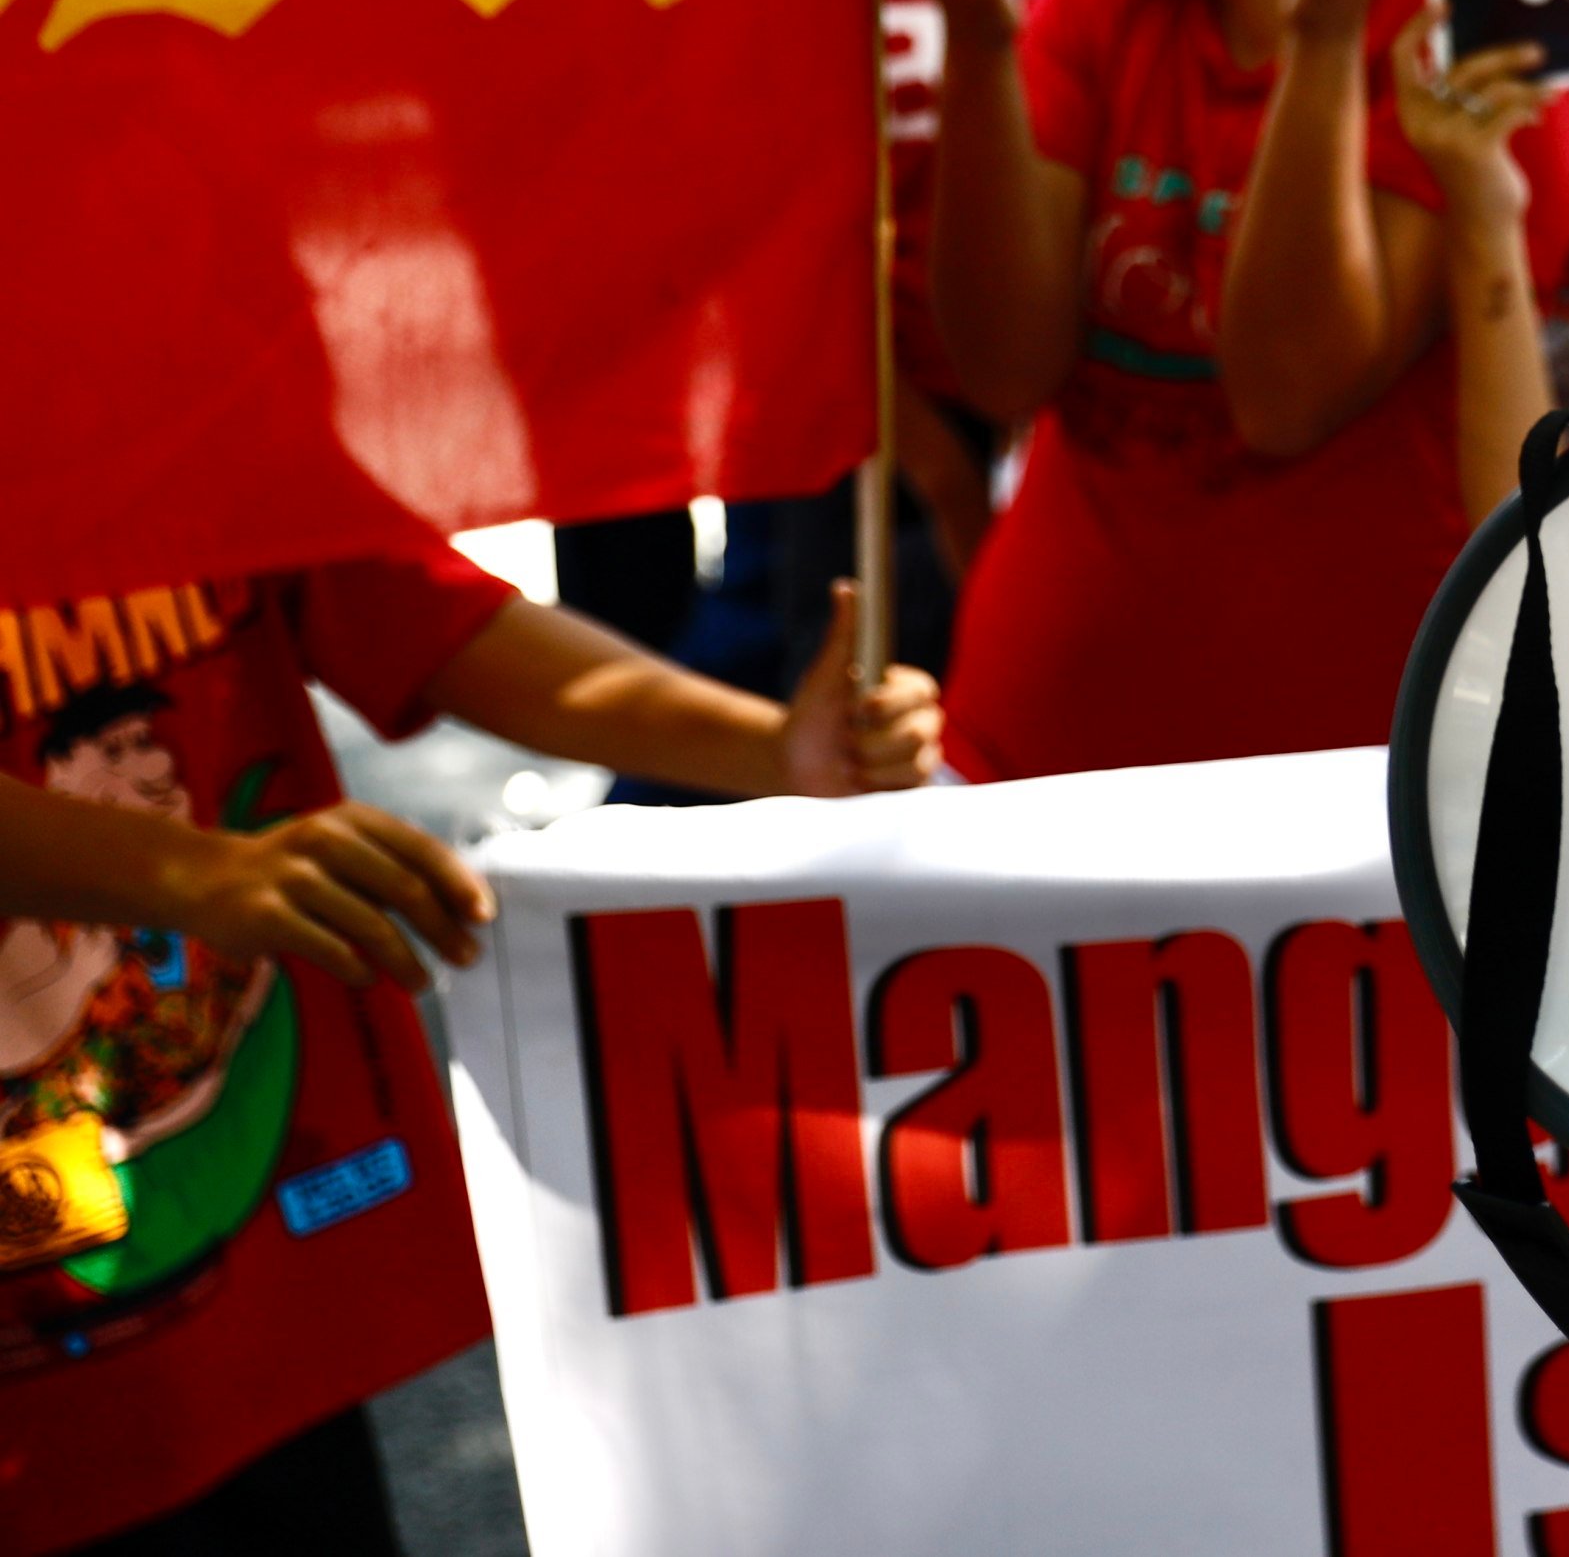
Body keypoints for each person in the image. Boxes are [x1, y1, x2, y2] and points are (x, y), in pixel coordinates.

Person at [0, 555, 936, 1556]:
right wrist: (188, 870)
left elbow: (408, 606)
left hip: (245, 1277)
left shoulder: (180, 412)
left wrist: (774, 751)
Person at [906, 0, 1569, 781]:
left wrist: (1320, 32)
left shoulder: (1465, 45)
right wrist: (976, 35)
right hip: (1028, 756)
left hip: (1336, 805)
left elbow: (1289, 396)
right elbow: (1003, 370)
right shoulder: (1095, 0)